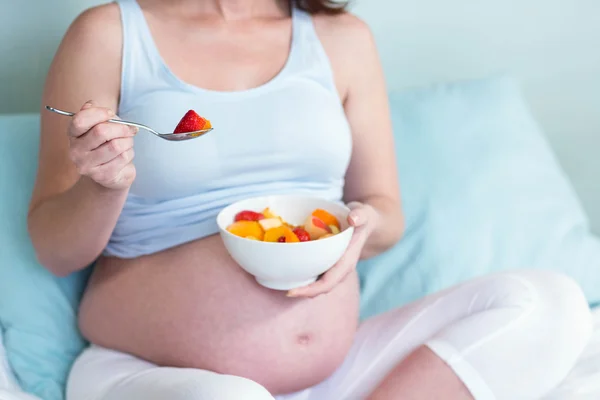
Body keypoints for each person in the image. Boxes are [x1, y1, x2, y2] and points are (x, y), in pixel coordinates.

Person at [27, 0, 593, 399]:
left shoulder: (341, 39)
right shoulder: (108, 33)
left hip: (336, 374)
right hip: (151, 374)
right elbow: (54, 251)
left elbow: (382, 208)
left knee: (550, 303)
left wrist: (362, 224)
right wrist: (104, 185)